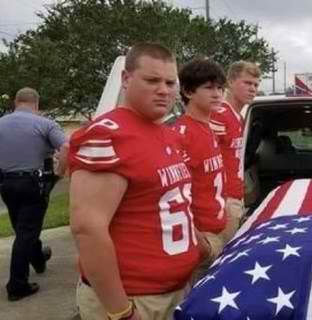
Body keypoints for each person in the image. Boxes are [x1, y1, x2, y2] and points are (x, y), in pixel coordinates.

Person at [69, 43, 206, 320]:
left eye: (170, 82)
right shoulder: (108, 135)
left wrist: (198, 244)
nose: (164, 90)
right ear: (126, 79)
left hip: (175, 290)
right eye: (152, 80)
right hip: (136, 300)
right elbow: (88, 229)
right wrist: (120, 311)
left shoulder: (167, 133)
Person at [0, 87, 67, 301]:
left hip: (6, 184)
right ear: (36, 104)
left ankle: (38, 258)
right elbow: (67, 147)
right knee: (26, 231)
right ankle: (17, 285)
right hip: (32, 184)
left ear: (16, 102)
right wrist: (60, 171)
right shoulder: (45, 124)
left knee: (24, 227)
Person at [174, 58, 227, 273]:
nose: (217, 94)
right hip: (201, 238)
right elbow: (175, 196)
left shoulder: (208, 128)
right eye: (208, 88)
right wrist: (200, 244)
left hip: (217, 230)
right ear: (188, 91)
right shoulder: (182, 135)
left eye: (220, 88)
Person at [210, 61, 261, 242]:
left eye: (256, 84)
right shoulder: (219, 115)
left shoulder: (237, 117)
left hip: (235, 198)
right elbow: (206, 163)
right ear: (230, 82)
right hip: (222, 201)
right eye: (247, 83)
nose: (253, 89)